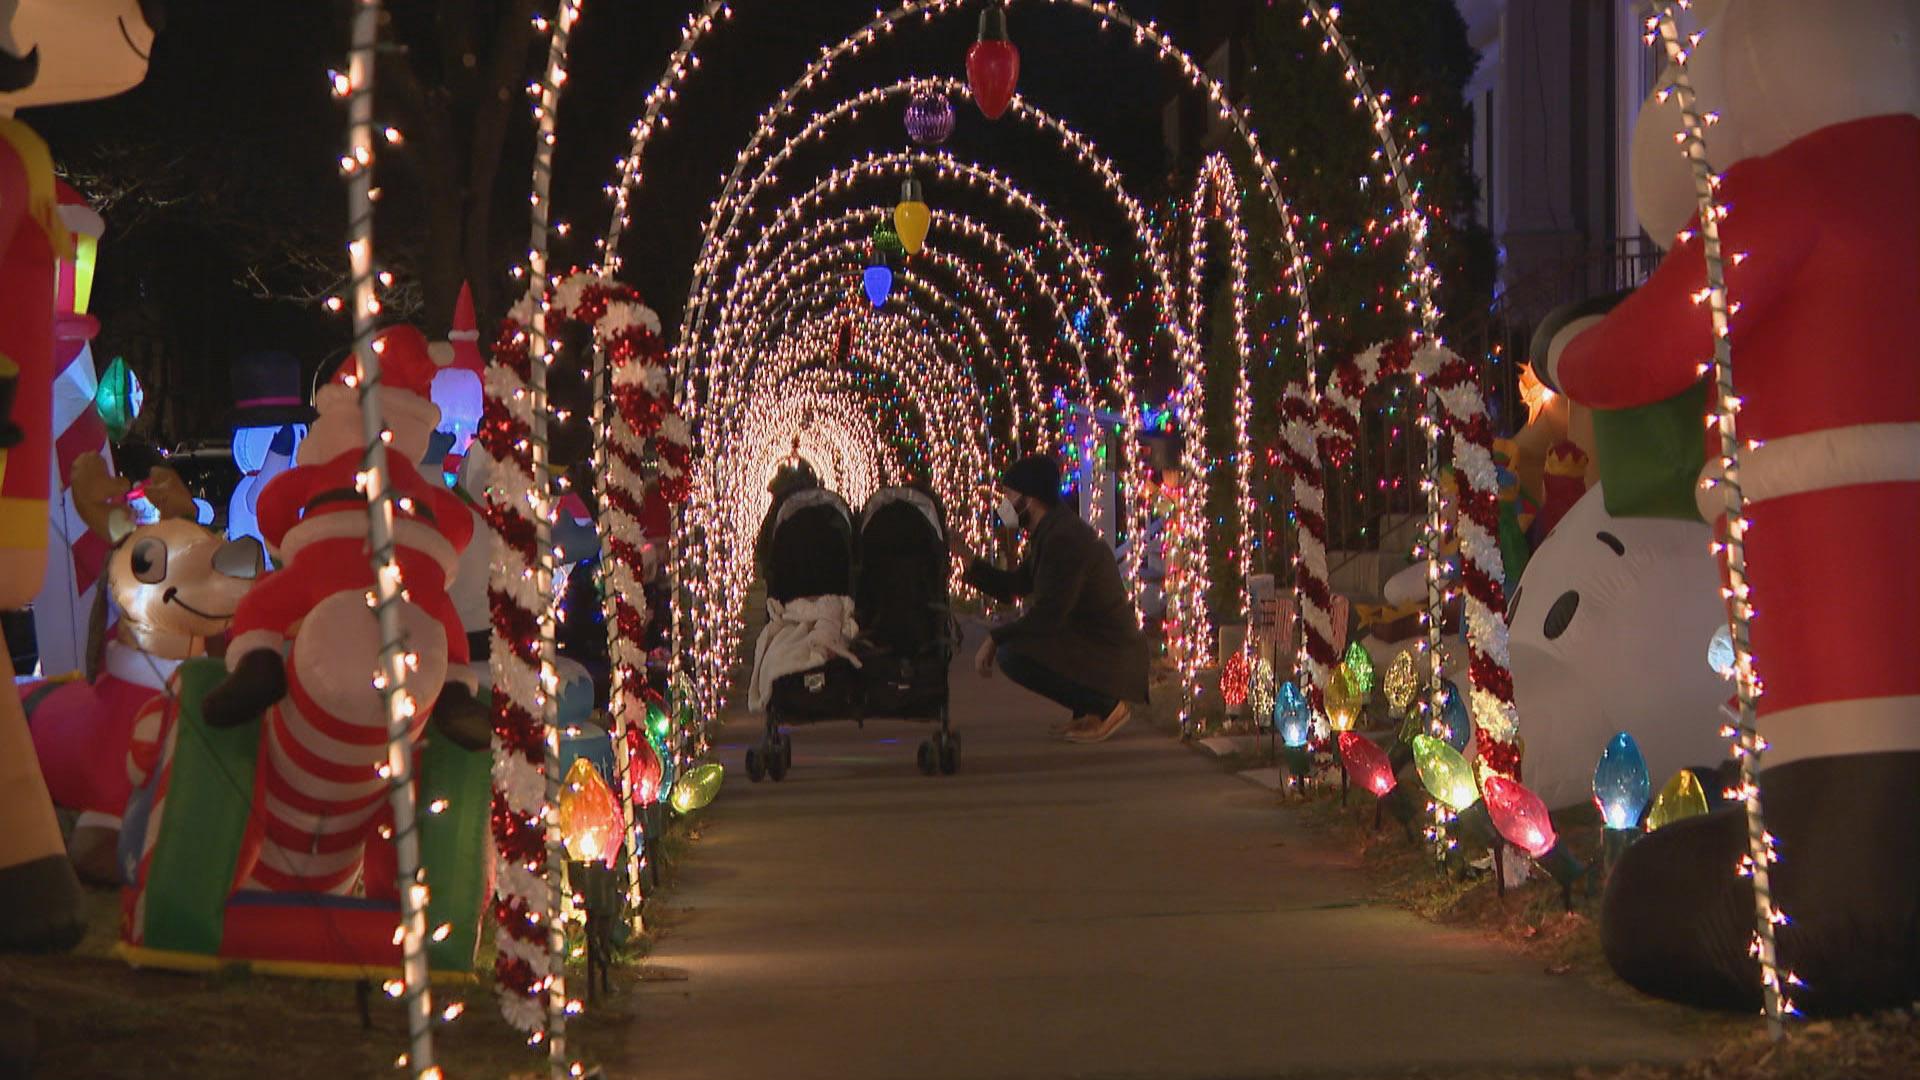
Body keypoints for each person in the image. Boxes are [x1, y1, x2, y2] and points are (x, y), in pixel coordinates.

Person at [953, 454, 1150, 743]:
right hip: (1096, 645)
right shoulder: (1052, 531)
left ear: (1029, 499)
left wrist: (995, 638)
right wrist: (968, 559)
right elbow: (1017, 586)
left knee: (1013, 654)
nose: (1003, 504)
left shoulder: (1063, 538)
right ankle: (1088, 710)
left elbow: (1049, 615)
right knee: (1014, 647)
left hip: (1111, 654)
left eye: (1009, 495)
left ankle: (1106, 708)